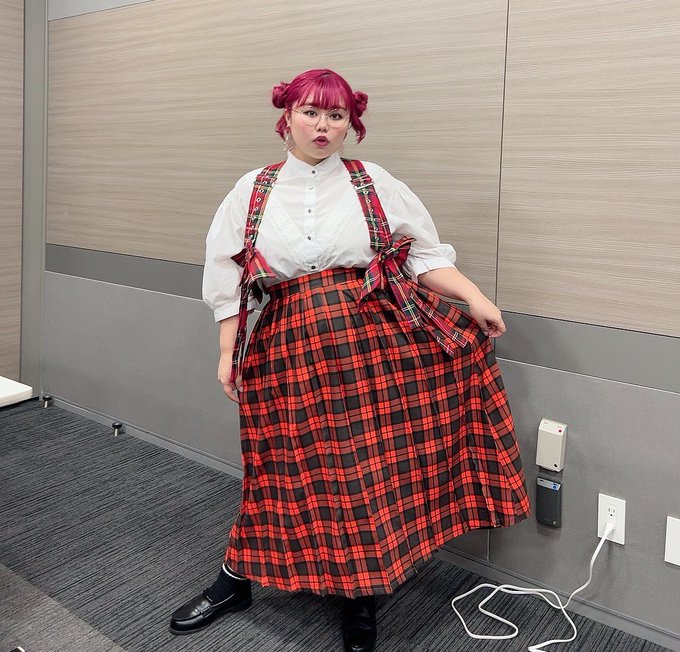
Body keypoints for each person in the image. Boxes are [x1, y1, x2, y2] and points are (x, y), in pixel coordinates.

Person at [169, 68, 531, 652]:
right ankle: (236, 579)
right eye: (310, 112)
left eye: (336, 115)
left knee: (366, 473)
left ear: (350, 125)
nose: (322, 125)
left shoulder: (373, 182)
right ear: (287, 117)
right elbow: (228, 277)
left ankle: (361, 596)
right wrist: (227, 350)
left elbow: (422, 257)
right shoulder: (252, 191)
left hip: (373, 345)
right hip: (288, 346)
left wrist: (473, 297)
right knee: (278, 468)